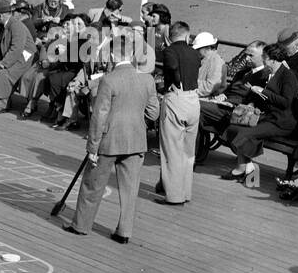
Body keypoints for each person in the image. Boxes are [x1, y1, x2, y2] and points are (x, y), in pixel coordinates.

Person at [64, 57, 161, 244]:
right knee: (130, 188)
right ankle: (124, 232)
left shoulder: (109, 79)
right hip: (135, 139)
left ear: (113, 57)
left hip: (109, 140)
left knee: (92, 184)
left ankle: (81, 226)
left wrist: (92, 146)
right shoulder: (147, 79)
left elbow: (99, 116)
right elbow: (153, 112)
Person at [221, 43, 298, 186]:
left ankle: (242, 168)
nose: (263, 61)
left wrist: (263, 92)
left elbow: (286, 102)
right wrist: (252, 103)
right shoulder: (271, 73)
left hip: (281, 122)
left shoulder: (288, 76)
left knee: (246, 133)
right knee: (234, 128)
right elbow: (265, 99)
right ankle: (248, 166)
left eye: (265, 58)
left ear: (273, 60)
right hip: (268, 117)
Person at [156, 21, 202, 206]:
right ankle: (186, 191)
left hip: (177, 98)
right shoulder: (194, 52)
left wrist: (174, 80)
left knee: (171, 150)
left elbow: (173, 66)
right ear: (187, 35)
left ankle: (174, 196)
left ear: (170, 36)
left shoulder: (170, 51)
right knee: (187, 152)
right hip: (194, 100)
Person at [0, 0, 38, 113]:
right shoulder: (9, 25)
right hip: (18, 56)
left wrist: (2, 64)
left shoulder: (16, 26)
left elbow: (16, 48)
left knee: (4, 74)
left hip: (26, 57)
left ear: (0, 15)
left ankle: (0, 104)